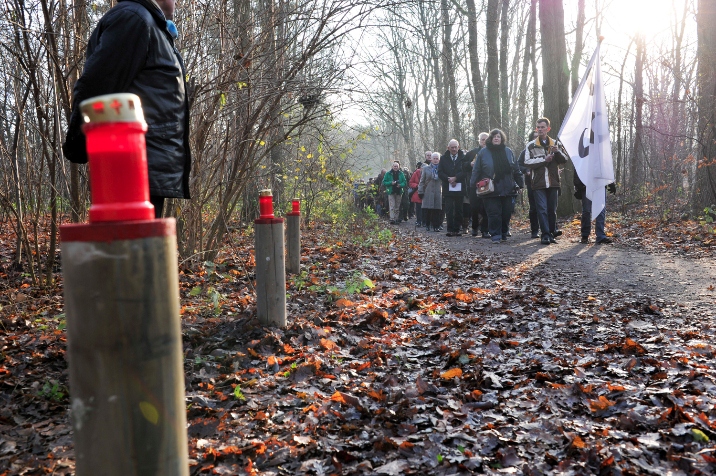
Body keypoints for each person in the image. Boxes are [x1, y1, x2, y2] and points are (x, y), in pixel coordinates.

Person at [63, 0, 191, 218]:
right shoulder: (134, 19)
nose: (178, 1)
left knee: (141, 248)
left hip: (145, 167)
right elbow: (97, 85)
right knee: (130, 248)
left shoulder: (149, 24)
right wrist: (78, 143)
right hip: (129, 168)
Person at [470, 129, 523, 243]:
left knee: (506, 213)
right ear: (490, 138)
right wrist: (473, 184)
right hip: (490, 188)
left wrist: (520, 183)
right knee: (493, 213)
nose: (496, 138)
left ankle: (503, 232)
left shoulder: (508, 151)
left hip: (507, 186)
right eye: (494, 136)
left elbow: (516, 168)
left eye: (498, 136)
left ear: (502, 138)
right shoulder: (483, 153)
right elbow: (477, 170)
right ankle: (495, 235)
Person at [523, 118, 567, 245]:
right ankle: (545, 235)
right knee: (541, 209)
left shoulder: (555, 143)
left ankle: (552, 233)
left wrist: (556, 152)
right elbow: (526, 162)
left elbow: (564, 160)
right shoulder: (531, 145)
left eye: (543, 127)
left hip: (553, 182)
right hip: (538, 183)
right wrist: (544, 159)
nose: (540, 129)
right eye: (538, 127)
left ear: (548, 129)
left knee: (551, 210)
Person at [574, 171, 615, 244]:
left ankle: (600, 236)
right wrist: (578, 185)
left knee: (601, 210)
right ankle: (585, 235)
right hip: (586, 185)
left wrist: (611, 183)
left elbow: (606, 166)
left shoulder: (602, 158)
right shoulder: (584, 158)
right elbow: (578, 165)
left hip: (600, 184)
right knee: (586, 211)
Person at [438, 139, 468, 236]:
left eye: (456, 147)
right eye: (452, 147)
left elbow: (465, 171)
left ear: (458, 147)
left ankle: (457, 229)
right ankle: (450, 229)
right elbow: (440, 172)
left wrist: (456, 178)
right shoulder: (443, 158)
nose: (454, 149)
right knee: (449, 209)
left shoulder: (463, 157)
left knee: (459, 209)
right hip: (448, 187)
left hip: (460, 186)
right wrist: (449, 179)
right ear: (448, 148)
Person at [465, 132, 490, 238]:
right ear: (479, 141)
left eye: (486, 139)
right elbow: (462, 165)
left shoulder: (491, 152)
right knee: (474, 207)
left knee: (486, 207)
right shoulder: (472, 153)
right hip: (474, 183)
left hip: (487, 183)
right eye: (482, 140)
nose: (484, 141)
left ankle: (485, 230)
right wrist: (470, 164)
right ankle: (474, 228)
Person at [518, 131, 539, 238]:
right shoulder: (525, 151)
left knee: (546, 207)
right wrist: (526, 170)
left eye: (538, 137)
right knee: (534, 207)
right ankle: (535, 230)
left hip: (545, 183)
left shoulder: (546, 148)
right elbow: (519, 164)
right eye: (534, 137)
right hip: (531, 182)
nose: (536, 139)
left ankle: (548, 229)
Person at [418, 152, 443, 231]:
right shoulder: (426, 168)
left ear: (439, 160)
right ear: (431, 159)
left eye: (437, 159)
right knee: (428, 209)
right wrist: (420, 191)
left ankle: (436, 226)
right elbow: (422, 181)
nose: (435, 160)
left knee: (437, 210)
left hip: (438, 191)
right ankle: (427, 224)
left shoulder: (442, 169)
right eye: (434, 158)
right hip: (428, 191)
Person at [409, 159, 426, 227]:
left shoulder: (429, 173)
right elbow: (410, 183)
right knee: (418, 208)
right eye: (423, 168)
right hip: (417, 193)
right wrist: (417, 185)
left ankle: (424, 221)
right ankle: (418, 221)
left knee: (425, 209)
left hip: (426, 193)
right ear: (420, 168)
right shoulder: (416, 173)